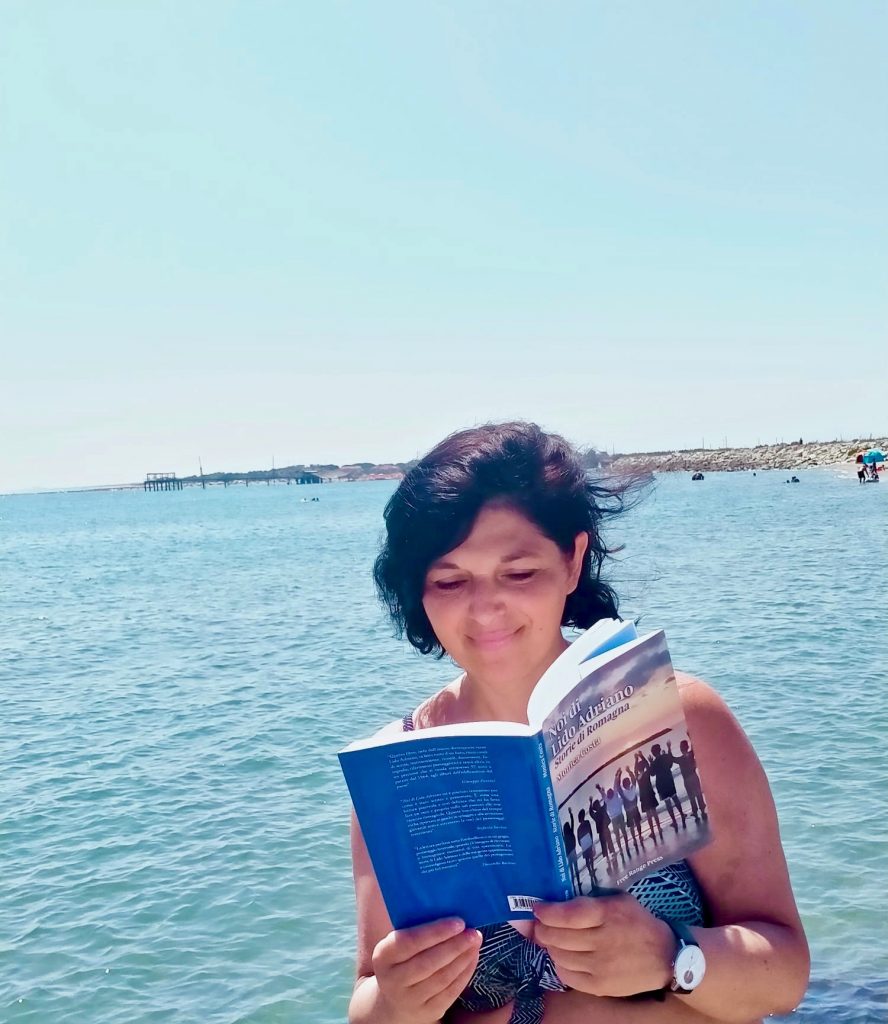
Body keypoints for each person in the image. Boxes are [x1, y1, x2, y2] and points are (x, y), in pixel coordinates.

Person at [348, 421, 809, 1024]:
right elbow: (367, 998)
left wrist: (672, 958)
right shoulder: (401, 769)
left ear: (572, 561)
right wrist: (396, 1001)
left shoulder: (677, 716)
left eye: (519, 574)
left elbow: (786, 972)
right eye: (450, 580)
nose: (485, 608)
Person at [674, 738, 707, 821]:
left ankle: (695, 813)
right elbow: (694, 747)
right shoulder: (691, 754)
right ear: (687, 747)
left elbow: (672, 758)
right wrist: (691, 737)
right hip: (694, 777)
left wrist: (669, 748)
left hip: (687, 780)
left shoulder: (680, 759)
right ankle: (702, 811)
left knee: (691, 797)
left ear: (681, 749)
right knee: (699, 794)